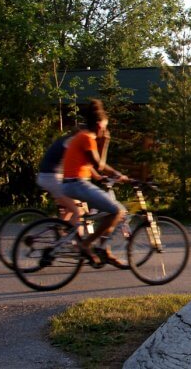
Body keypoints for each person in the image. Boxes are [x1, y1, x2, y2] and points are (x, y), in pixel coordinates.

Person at [61, 99, 129, 265]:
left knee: (108, 212)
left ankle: (104, 249)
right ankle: (86, 244)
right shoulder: (87, 138)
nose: (105, 131)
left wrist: (117, 174)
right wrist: (105, 143)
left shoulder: (83, 137)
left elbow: (99, 165)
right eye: (105, 127)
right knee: (118, 211)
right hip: (77, 184)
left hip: (75, 183)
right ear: (99, 125)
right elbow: (99, 165)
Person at [36, 128, 82, 226]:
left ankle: (60, 231)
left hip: (49, 177)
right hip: (51, 177)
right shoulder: (70, 142)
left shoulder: (66, 139)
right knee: (78, 210)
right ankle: (71, 237)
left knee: (70, 208)